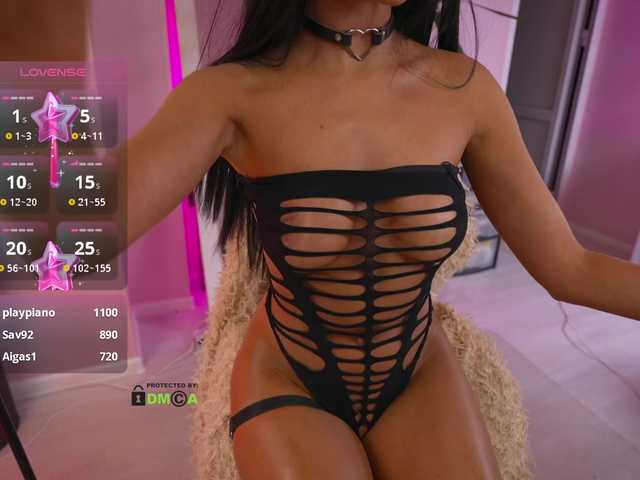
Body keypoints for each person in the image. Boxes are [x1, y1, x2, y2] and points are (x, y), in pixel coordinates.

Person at [125, 1, 640, 478]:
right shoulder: (229, 94)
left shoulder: (466, 90)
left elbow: (571, 269)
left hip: (416, 371)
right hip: (291, 375)